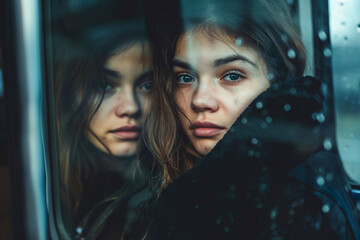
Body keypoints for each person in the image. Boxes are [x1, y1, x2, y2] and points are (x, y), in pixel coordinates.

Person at [144, 0, 360, 239]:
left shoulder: (303, 197)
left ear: (277, 84)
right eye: (185, 78)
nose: (200, 100)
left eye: (232, 76)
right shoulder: (163, 184)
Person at [54, 27, 155, 239]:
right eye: (105, 85)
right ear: (71, 98)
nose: (130, 107)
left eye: (147, 85)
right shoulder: (47, 193)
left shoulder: (161, 200)